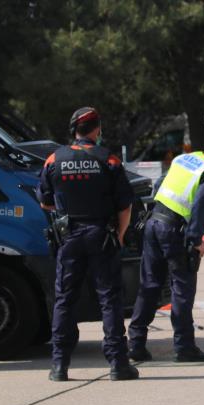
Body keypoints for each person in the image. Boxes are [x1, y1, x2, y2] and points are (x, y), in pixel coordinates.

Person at [36, 107, 139, 382]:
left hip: (68, 237)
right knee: (109, 299)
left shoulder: (54, 159)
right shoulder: (109, 160)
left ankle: (59, 366)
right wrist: (119, 234)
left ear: (74, 130)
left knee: (64, 300)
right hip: (101, 235)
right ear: (97, 129)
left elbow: (44, 201)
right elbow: (125, 204)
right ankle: (118, 364)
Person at [127, 133, 204, 362]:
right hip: (175, 231)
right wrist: (195, 241)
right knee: (181, 290)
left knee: (149, 286)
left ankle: (136, 344)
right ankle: (184, 348)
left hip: (154, 221)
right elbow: (201, 208)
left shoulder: (186, 158)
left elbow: (160, 184)